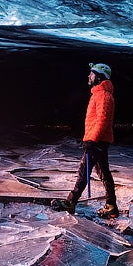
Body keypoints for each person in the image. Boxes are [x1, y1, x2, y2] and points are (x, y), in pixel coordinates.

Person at [52, 62, 118, 219]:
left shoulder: (103, 95)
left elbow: (102, 120)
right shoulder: (99, 94)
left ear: (99, 77)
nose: (89, 76)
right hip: (99, 140)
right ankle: (111, 206)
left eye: (92, 73)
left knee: (84, 170)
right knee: (103, 172)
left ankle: (71, 202)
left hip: (98, 141)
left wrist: (92, 140)